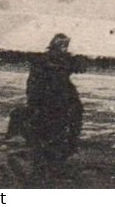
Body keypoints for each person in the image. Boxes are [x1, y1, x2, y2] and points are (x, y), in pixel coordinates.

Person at [24, 33, 84, 180]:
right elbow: (34, 85)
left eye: (66, 46)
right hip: (50, 103)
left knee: (57, 134)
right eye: (63, 46)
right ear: (56, 46)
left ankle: (51, 166)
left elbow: (80, 67)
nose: (65, 49)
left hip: (59, 102)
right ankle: (48, 168)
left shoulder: (58, 60)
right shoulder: (48, 62)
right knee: (51, 135)